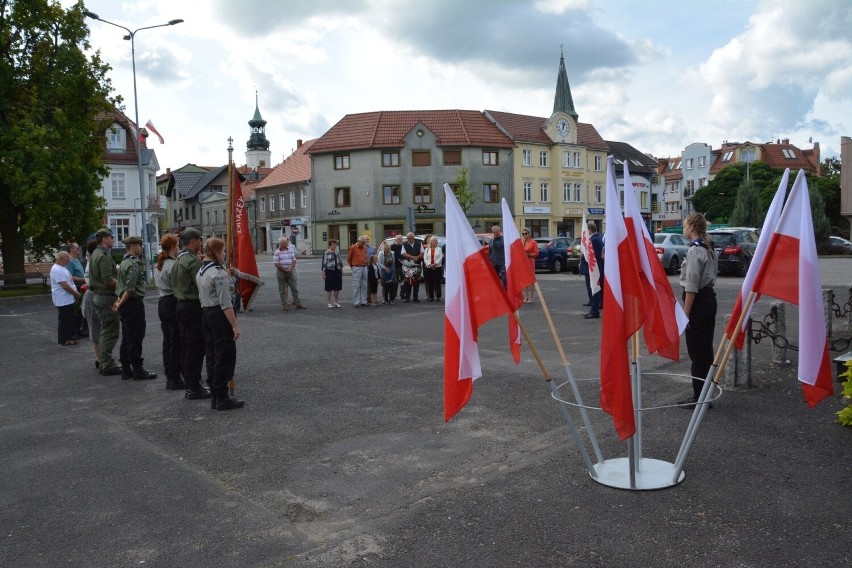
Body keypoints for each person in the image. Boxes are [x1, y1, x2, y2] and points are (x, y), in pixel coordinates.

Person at [197, 238, 244, 411]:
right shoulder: (218, 273)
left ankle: (216, 396)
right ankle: (223, 397)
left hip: (206, 313)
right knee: (225, 355)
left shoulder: (202, 270)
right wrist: (235, 326)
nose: (224, 254)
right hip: (219, 315)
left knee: (212, 355)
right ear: (216, 252)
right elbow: (226, 303)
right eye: (223, 251)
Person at [679, 213, 717, 408]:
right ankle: (706, 393)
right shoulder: (708, 247)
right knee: (705, 348)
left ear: (692, 227)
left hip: (698, 302)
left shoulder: (695, 251)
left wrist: (685, 314)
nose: (683, 228)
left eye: (685, 225)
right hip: (709, 298)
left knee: (697, 352)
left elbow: (691, 286)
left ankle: (699, 397)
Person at [172, 227, 211, 400]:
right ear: (194, 240)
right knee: (196, 348)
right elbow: (203, 285)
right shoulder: (193, 261)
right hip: (193, 306)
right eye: (199, 240)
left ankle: (190, 382)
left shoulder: (179, 259)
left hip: (180, 305)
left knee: (187, 347)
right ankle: (194, 387)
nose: (201, 243)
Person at [113, 236, 157, 380]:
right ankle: (138, 370)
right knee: (135, 337)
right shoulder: (132, 264)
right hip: (133, 304)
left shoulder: (124, 263)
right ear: (133, 246)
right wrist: (120, 302)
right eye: (140, 245)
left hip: (125, 304)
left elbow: (121, 287)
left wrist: (119, 302)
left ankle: (126, 369)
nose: (141, 247)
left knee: (127, 337)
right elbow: (130, 289)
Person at [88, 227, 122, 376]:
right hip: (106, 298)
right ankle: (107, 364)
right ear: (104, 239)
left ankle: (103, 361)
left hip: (99, 296)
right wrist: (124, 286)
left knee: (104, 331)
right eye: (111, 237)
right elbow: (108, 279)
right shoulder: (104, 256)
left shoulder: (95, 254)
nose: (113, 239)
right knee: (110, 332)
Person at [156, 233, 185, 390]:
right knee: (176, 341)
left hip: (163, 302)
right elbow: (179, 286)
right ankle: (174, 376)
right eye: (178, 245)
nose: (179, 248)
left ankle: (170, 373)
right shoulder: (173, 265)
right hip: (172, 302)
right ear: (173, 247)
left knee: (168, 340)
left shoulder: (160, 263)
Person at [50, 251, 81, 346]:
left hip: (67, 299)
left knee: (68, 319)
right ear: (60, 259)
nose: (68, 259)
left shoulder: (62, 268)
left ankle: (69, 337)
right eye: (66, 258)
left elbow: (69, 279)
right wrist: (76, 293)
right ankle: (65, 339)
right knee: (65, 320)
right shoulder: (57, 269)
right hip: (63, 299)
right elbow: (65, 285)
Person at [81, 240, 100, 369]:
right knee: (96, 328)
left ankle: (100, 357)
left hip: (90, 293)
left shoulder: (90, 261)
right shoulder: (94, 261)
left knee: (95, 328)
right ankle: (100, 358)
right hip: (94, 294)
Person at [273, 236, 306, 310]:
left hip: (290, 271)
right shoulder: (277, 252)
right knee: (282, 289)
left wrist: (290, 268)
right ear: (280, 243)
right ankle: (285, 305)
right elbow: (276, 263)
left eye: (286, 242)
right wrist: (284, 269)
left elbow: (294, 260)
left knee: (294, 288)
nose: (286, 243)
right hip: (281, 272)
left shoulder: (290, 250)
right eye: (285, 242)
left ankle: (298, 303)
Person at [584, 222, 604, 319]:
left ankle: (595, 311)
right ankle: (593, 309)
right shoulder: (596, 238)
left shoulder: (595, 240)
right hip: (596, 267)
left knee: (595, 289)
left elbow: (594, 255)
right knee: (594, 289)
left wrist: (585, 255)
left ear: (589, 230)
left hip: (595, 268)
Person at [66, 242, 87, 338]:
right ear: (71, 249)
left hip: (82, 286)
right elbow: (69, 276)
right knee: (76, 310)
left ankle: (79, 330)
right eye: (77, 247)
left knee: (80, 310)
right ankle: (75, 331)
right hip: (77, 287)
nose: (79, 248)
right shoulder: (70, 261)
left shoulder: (77, 260)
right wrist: (82, 279)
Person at [400, 232, 423, 302]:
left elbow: (422, 252)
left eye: (409, 238)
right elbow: (403, 253)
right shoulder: (404, 244)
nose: (408, 239)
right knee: (407, 282)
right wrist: (412, 257)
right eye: (407, 238)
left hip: (417, 266)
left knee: (416, 282)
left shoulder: (419, 243)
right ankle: (407, 298)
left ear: (413, 238)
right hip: (408, 266)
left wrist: (417, 257)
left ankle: (415, 298)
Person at [347, 235, 369, 306]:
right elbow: (349, 259)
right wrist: (352, 267)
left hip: (364, 266)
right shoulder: (352, 248)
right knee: (356, 284)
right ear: (358, 241)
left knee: (364, 284)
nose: (363, 244)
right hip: (356, 267)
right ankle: (356, 301)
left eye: (364, 243)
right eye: (362, 243)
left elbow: (365, 256)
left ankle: (363, 301)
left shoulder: (364, 248)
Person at [321, 239, 343, 308]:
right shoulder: (326, 253)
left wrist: (341, 268)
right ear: (330, 245)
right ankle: (329, 302)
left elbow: (340, 260)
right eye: (333, 245)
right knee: (329, 288)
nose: (335, 246)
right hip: (329, 271)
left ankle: (336, 302)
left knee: (337, 287)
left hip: (337, 270)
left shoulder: (337, 252)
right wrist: (323, 273)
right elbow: (324, 263)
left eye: (335, 244)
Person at [422, 236, 443, 301]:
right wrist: (429, 264)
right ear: (431, 242)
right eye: (434, 240)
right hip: (429, 268)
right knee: (430, 282)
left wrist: (435, 264)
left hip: (437, 267)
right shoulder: (427, 249)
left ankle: (438, 296)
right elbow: (425, 258)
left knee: (437, 282)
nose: (435, 242)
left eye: (436, 241)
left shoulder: (439, 249)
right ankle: (431, 297)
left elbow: (440, 257)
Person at [521, 229, 539, 303]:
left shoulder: (533, 242)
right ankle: (526, 297)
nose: (524, 235)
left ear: (529, 234)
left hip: (530, 261)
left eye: (526, 233)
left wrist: (529, 255)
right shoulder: (522, 242)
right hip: (523, 262)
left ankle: (531, 298)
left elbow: (537, 253)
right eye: (523, 234)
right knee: (524, 280)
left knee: (531, 280)